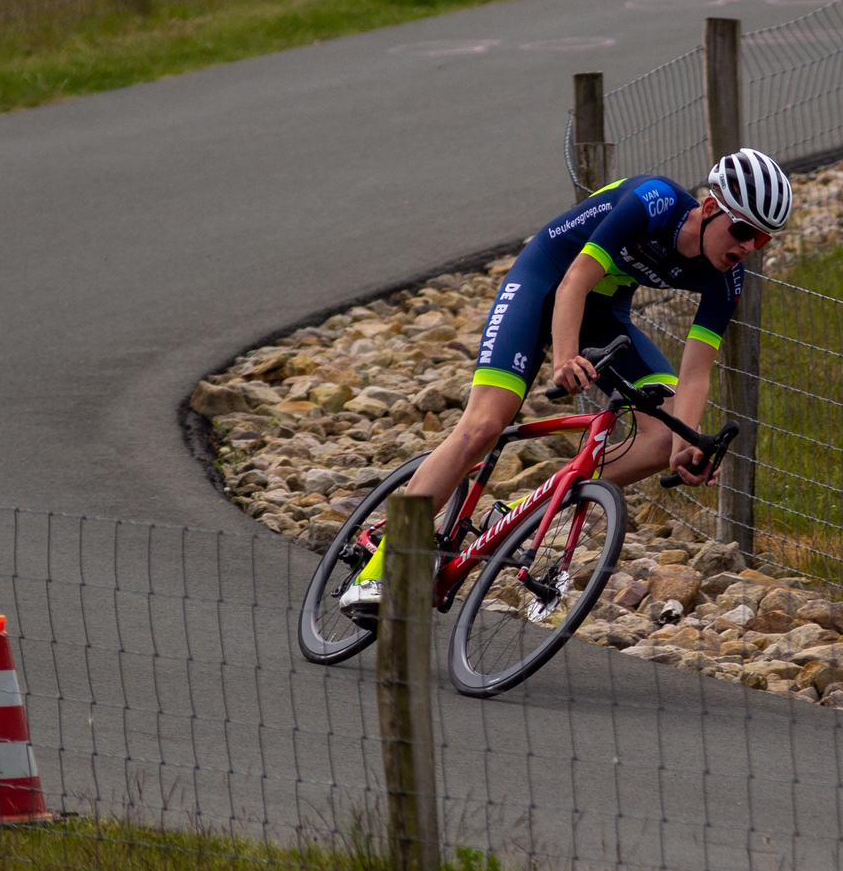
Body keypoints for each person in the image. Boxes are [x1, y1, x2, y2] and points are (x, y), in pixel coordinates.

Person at [339, 146, 795, 622]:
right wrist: (564, 357)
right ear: (708, 208)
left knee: (663, 437)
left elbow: (697, 370)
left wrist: (687, 440)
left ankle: (520, 514)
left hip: (603, 313)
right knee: (484, 427)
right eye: (742, 230)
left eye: (761, 241)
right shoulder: (653, 200)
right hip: (543, 281)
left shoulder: (728, 280)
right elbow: (575, 280)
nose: (746, 247)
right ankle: (383, 562)